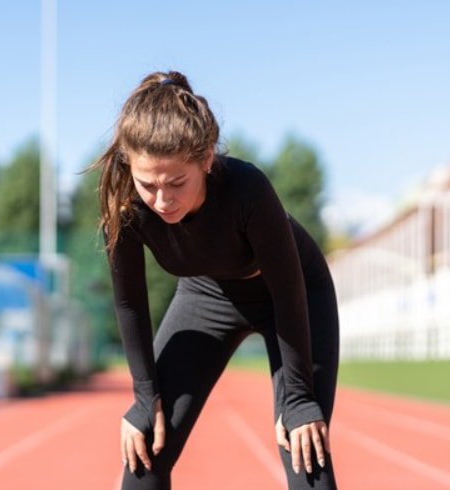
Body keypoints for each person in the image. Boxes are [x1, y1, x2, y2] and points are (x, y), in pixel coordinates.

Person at [92, 70, 340, 489]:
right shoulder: (126, 207)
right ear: (128, 165)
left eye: (177, 182)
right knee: (145, 450)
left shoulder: (248, 189)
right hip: (206, 292)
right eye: (148, 183)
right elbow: (130, 302)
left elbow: (288, 290)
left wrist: (298, 399)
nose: (163, 200)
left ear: (207, 159)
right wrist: (142, 395)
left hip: (293, 295)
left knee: (304, 451)